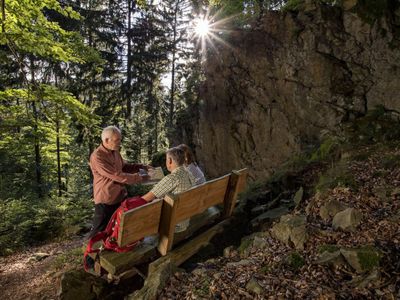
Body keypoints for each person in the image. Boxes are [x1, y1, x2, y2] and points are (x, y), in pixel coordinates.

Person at [88, 126, 150, 238]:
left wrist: (142, 167)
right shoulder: (97, 157)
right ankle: (90, 255)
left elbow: (124, 167)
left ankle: (112, 250)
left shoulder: (115, 152)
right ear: (106, 140)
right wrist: (140, 177)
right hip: (106, 200)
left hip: (120, 197)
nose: (120, 143)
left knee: (118, 228)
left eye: (120, 140)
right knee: (98, 232)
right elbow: (117, 175)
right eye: (117, 140)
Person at [142, 146, 193, 232]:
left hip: (173, 225)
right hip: (184, 220)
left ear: (169, 160)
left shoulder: (172, 178)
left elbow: (145, 199)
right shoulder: (189, 174)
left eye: (166, 159)